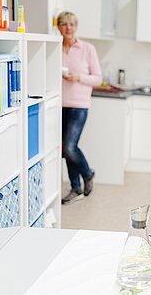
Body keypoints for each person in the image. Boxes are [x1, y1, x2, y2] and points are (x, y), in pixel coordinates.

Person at [58, 11, 103, 205]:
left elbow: (98, 78)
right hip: (58, 104)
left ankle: (87, 173)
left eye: (71, 24)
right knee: (65, 149)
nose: (68, 28)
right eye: (64, 24)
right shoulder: (55, 47)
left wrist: (79, 77)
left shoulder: (87, 48)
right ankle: (75, 187)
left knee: (69, 147)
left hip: (79, 105)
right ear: (58, 27)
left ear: (76, 27)